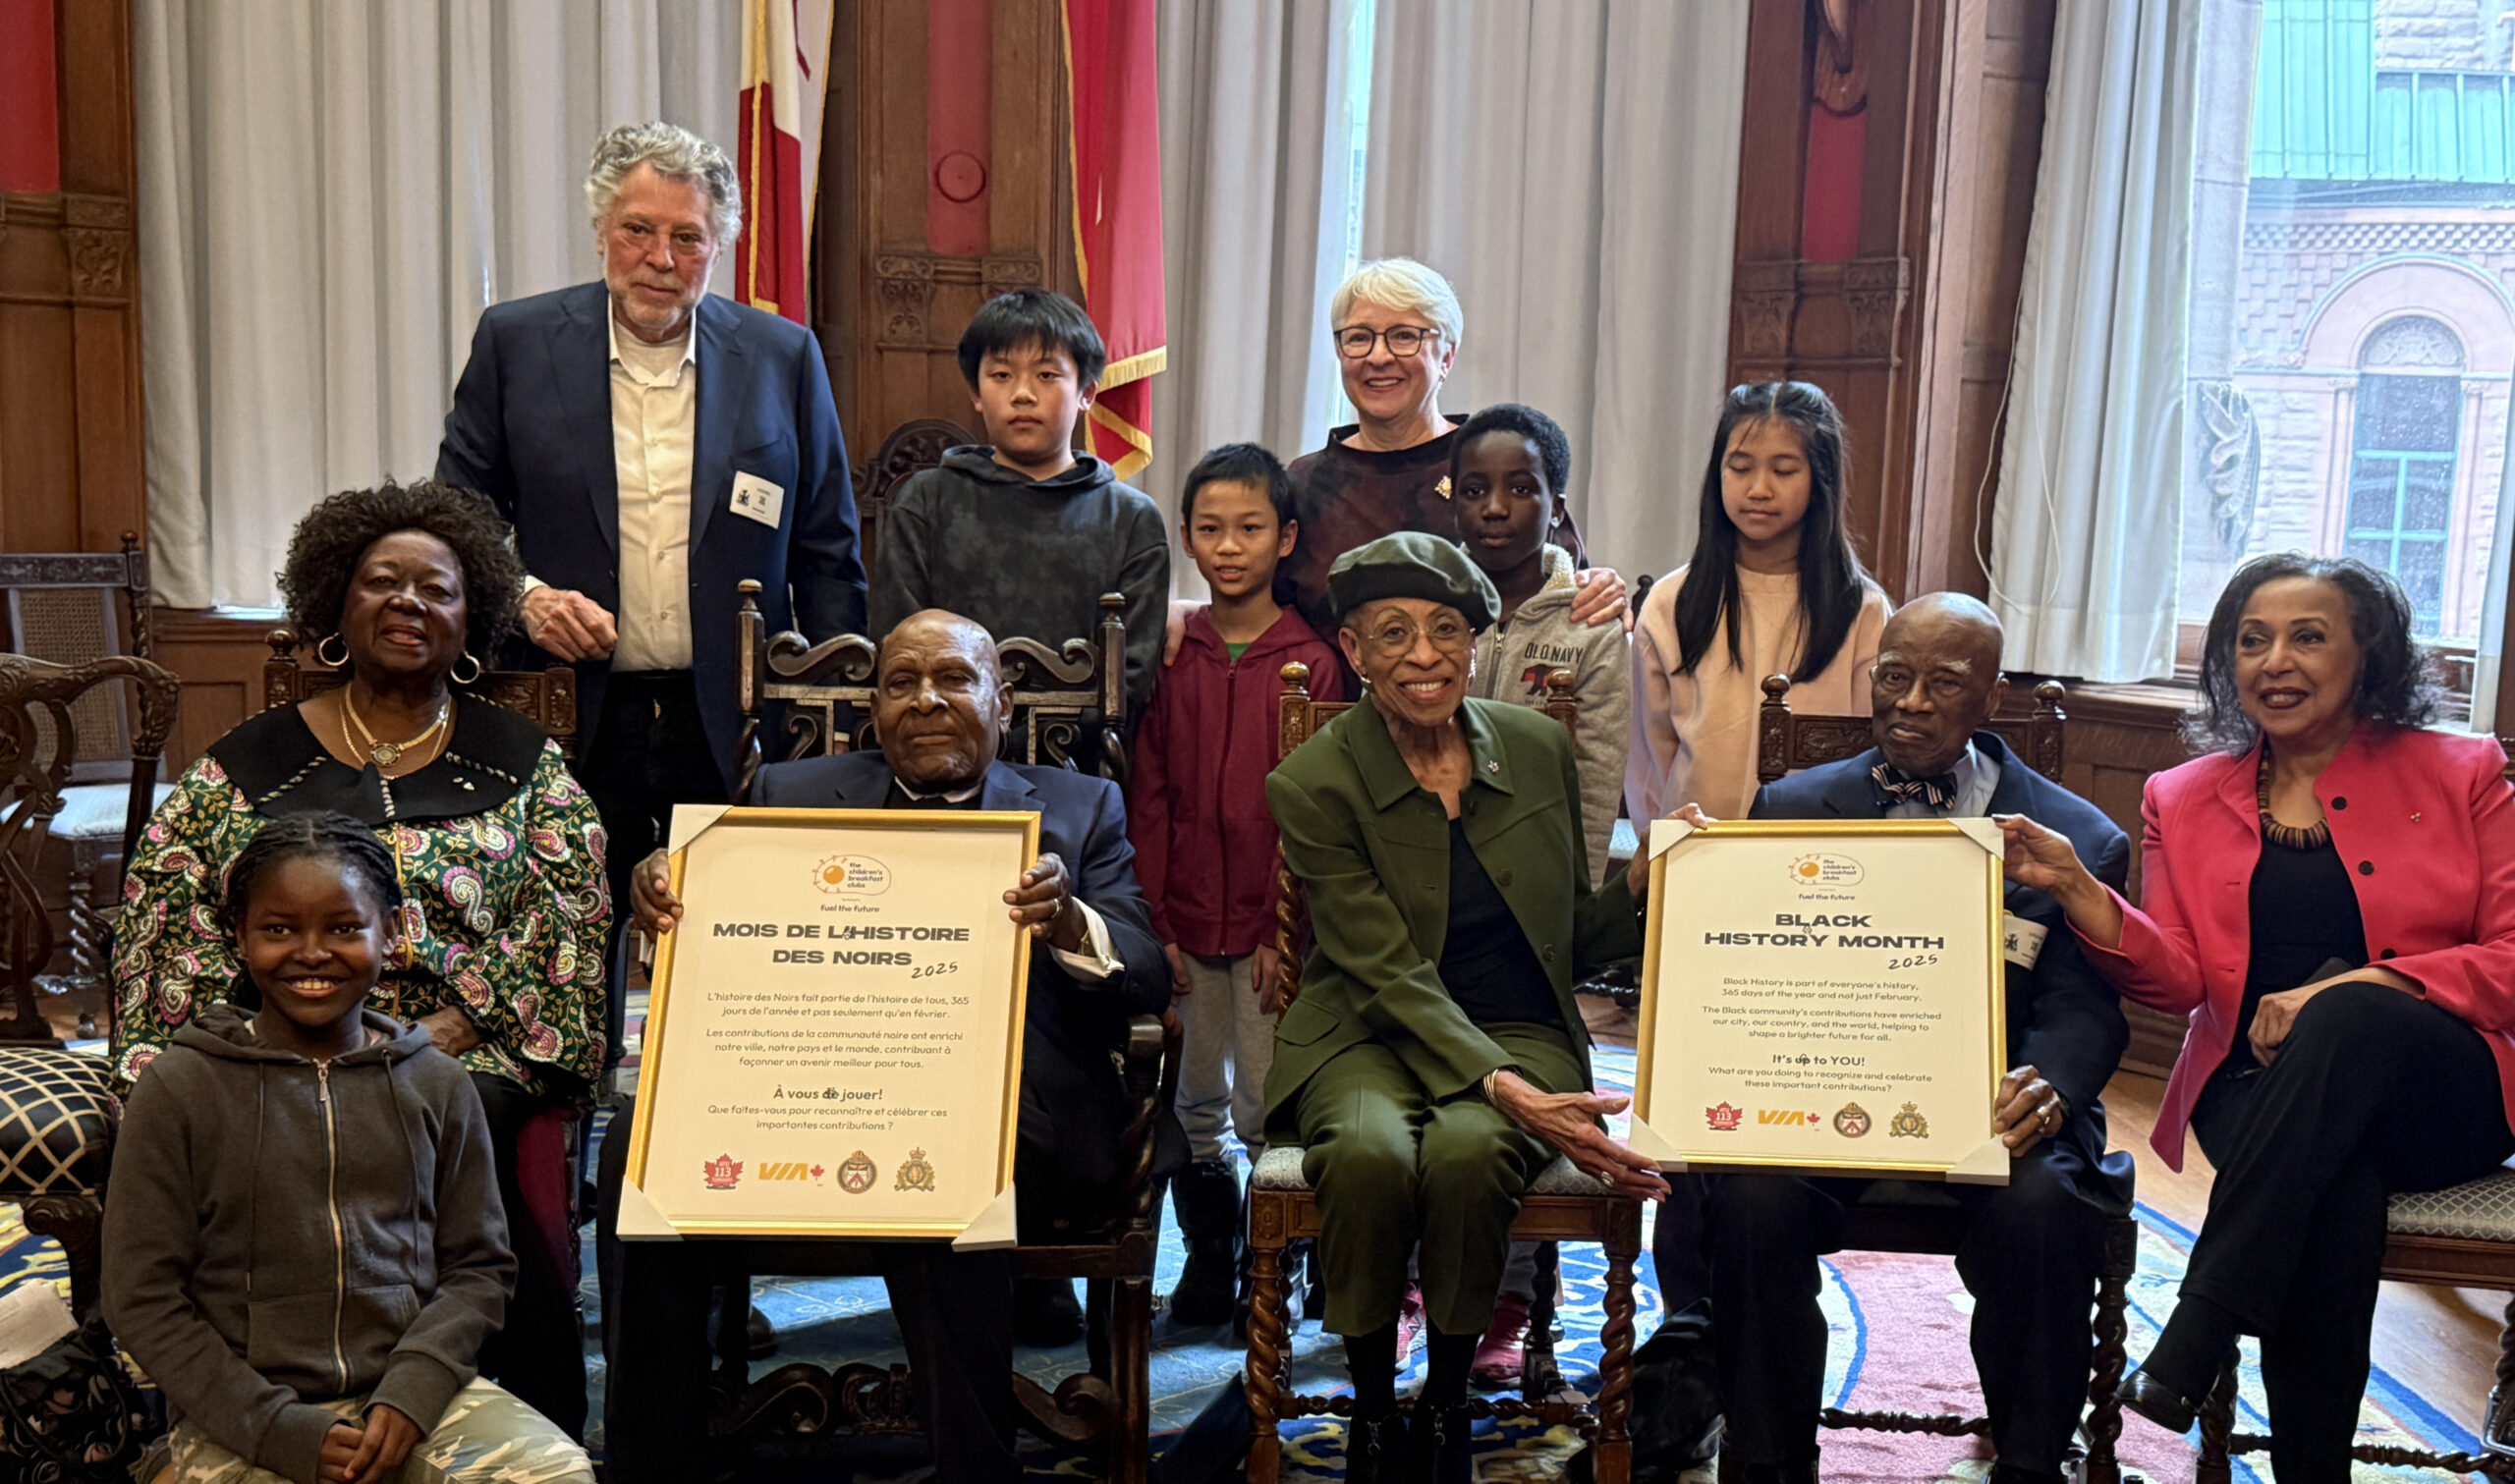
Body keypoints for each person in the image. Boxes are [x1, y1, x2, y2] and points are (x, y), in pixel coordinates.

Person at [602, 608, 1176, 1484]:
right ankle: (657, 1462)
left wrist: (1067, 920)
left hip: (1010, 1102)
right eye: (901, 683)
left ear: (1003, 700)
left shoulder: (1078, 807)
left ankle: (974, 1469)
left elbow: (1146, 970)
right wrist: (666, 884)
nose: (926, 700)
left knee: (941, 1133)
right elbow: (717, 919)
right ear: (875, 709)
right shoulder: (788, 794)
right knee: (636, 1147)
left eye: (954, 679)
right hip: (799, 1082)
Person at [112, 481, 609, 1439]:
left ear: (474, 617)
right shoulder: (245, 764)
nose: (409, 601)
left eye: (438, 588)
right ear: (337, 600)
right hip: (268, 1041)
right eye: (383, 581)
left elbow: (571, 926)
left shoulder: (526, 765)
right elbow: (166, 920)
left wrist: (438, 1031)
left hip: (471, 1052)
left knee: (454, 1112)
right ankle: (266, 1398)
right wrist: (262, 1040)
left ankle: (503, 1403)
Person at [2000, 554, 2515, 1477]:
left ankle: (2197, 1327)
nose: (2275, 661)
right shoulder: (2182, 795)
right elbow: (2180, 980)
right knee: (2333, 1185)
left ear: (2369, 652)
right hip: (2254, 1089)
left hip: (2440, 1089)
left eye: (2308, 637)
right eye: (2252, 640)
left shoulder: (2464, 770)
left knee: (2350, 1020)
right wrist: (2079, 889)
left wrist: (2357, 985)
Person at [1695, 593, 2133, 1484]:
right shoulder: (1789, 805)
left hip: (1998, 1098)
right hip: (1822, 1083)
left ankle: (2030, 1463)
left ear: (1992, 697)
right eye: (1893, 676)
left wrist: (2047, 1084)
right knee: (1747, 1193)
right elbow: (1746, 966)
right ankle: (1767, 1458)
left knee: (2045, 1207)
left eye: (1946, 683)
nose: (1912, 702)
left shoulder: (2081, 839)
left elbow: (2083, 1006)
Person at [1263, 532, 1668, 1484]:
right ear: (1354, 650)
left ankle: (1445, 1398)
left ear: (1476, 643)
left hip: (1519, 1023)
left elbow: (1566, 934)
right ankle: (1372, 1409)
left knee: (1470, 1151)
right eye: (1393, 632)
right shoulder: (1312, 781)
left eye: (1447, 628)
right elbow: (1382, 969)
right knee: (1368, 1153)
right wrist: (1506, 1086)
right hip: (1366, 1027)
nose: (1425, 654)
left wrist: (1643, 885)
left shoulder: (1535, 746)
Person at [435, 119, 865, 939]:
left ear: (718, 247)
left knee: (731, 950)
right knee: (566, 948)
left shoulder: (783, 355)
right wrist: (524, 597)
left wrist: (834, 722)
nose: (661, 259)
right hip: (571, 710)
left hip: (737, 719)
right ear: (602, 230)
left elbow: (829, 554)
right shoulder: (515, 343)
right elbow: (454, 519)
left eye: (687, 237)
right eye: (638, 230)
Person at [104, 812, 594, 1484]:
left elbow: (480, 1267)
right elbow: (141, 1296)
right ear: (240, 936)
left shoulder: (440, 1085)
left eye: (343, 928)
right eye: (279, 930)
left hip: (415, 1400)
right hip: (245, 1413)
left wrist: (415, 1388)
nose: (312, 952)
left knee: (558, 1474)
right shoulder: (180, 1088)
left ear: (391, 932)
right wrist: (275, 1428)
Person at [1124, 443, 1345, 1327]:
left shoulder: (1312, 663)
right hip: (1184, 922)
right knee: (1193, 1102)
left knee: (1265, 1103)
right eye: (1210, 529)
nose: (1228, 546)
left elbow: (1312, 811)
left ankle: (1273, 1262)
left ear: (1285, 537)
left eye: (1249, 528)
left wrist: (1277, 927)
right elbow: (1148, 794)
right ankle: (1209, 1258)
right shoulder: (1173, 654)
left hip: (1266, 933)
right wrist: (1157, 921)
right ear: (1184, 536)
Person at [1166, 257, 1624, 670]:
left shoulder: (1496, 470)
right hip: (1330, 724)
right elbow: (1255, 610)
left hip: (1486, 723)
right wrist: (1185, 611)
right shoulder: (1302, 486)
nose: (1378, 356)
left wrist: (1600, 590)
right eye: (1358, 338)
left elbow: (1567, 595)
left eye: (1405, 336)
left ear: (1447, 356)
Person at [1446, 400, 1633, 1386]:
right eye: (1476, 488)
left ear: (1557, 504)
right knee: (1434, 1089)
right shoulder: (1433, 599)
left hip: (1535, 909)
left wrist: (1567, 914)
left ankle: (1514, 1296)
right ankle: (1422, 1280)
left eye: (1521, 488)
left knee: (1531, 1097)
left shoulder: (1589, 624)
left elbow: (1596, 784)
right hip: (1431, 899)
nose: (1496, 508)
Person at [871, 287, 1169, 742]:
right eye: (1002, 375)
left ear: (1087, 392)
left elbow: (1129, 677)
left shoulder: (1130, 519)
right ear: (976, 391)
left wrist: (1040, 742)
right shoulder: (927, 501)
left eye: (1047, 375)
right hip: (942, 750)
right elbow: (899, 647)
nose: (1023, 394)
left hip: (1079, 760)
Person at [1626, 380, 1891, 823]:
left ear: (1820, 478)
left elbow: (1872, 753)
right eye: (1740, 468)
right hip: (1698, 844)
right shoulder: (1673, 602)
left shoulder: (1861, 609)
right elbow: (1651, 756)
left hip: (1816, 849)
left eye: (1783, 471)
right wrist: (1659, 844)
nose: (1759, 489)